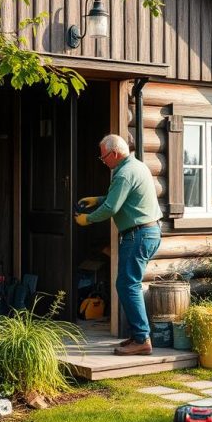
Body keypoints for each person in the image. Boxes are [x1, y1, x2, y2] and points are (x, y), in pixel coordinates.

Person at [75, 134, 162, 356]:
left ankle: (142, 339)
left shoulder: (124, 173)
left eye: (103, 157)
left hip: (138, 234)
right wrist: (99, 199)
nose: (103, 161)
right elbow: (119, 197)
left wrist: (88, 218)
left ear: (114, 153)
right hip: (146, 232)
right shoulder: (135, 166)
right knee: (127, 284)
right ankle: (138, 335)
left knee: (127, 285)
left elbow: (112, 208)